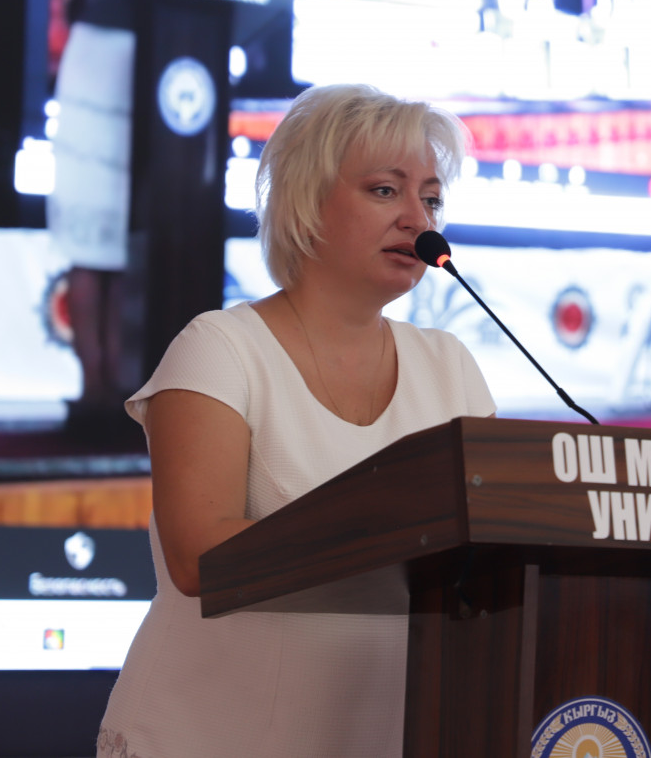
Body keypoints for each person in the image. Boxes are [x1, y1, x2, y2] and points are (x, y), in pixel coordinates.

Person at [96, 84, 497, 757]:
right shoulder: (220, 348)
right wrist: (407, 534)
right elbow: (200, 558)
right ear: (306, 201)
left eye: (430, 199)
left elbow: (495, 554)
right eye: (384, 190)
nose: (418, 219)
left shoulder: (449, 367)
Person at [47, 0, 178, 427]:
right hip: (91, 81)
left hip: (143, 88)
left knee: (127, 251)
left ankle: (124, 387)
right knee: (88, 248)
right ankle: (92, 386)